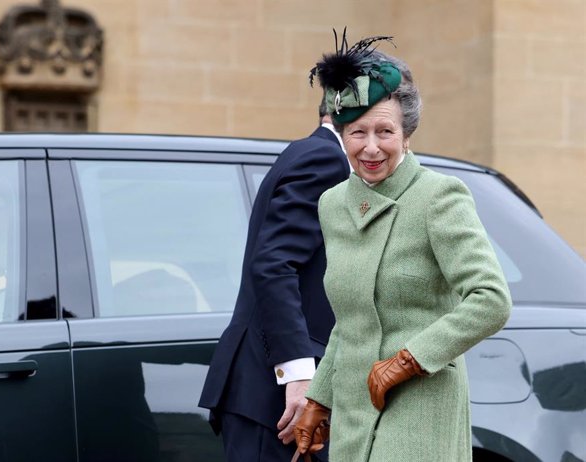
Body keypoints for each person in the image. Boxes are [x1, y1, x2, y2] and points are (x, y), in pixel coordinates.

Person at [293, 33, 512, 461]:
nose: (371, 147)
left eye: (385, 131)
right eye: (358, 132)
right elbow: (351, 318)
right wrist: (319, 400)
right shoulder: (333, 205)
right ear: (342, 136)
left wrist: (408, 360)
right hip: (355, 409)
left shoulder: (438, 197)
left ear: (407, 135)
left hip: (421, 401)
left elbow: (491, 299)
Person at [198, 97, 351, 460]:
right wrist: (298, 375)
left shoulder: (309, 152)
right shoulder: (327, 159)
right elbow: (274, 264)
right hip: (276, 397)